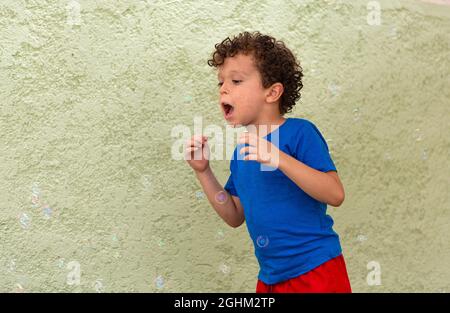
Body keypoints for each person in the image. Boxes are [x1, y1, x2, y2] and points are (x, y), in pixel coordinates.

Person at [185, 31, 351, 293]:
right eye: (221, 83)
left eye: (236, 80)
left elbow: (335, 193)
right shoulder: (242, 152)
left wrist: (277, 157)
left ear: (272, 92)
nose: (224, 89)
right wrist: (204, 172)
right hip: (271, 278)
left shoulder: (300, 133)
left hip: (316, 270)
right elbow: (234, 215)